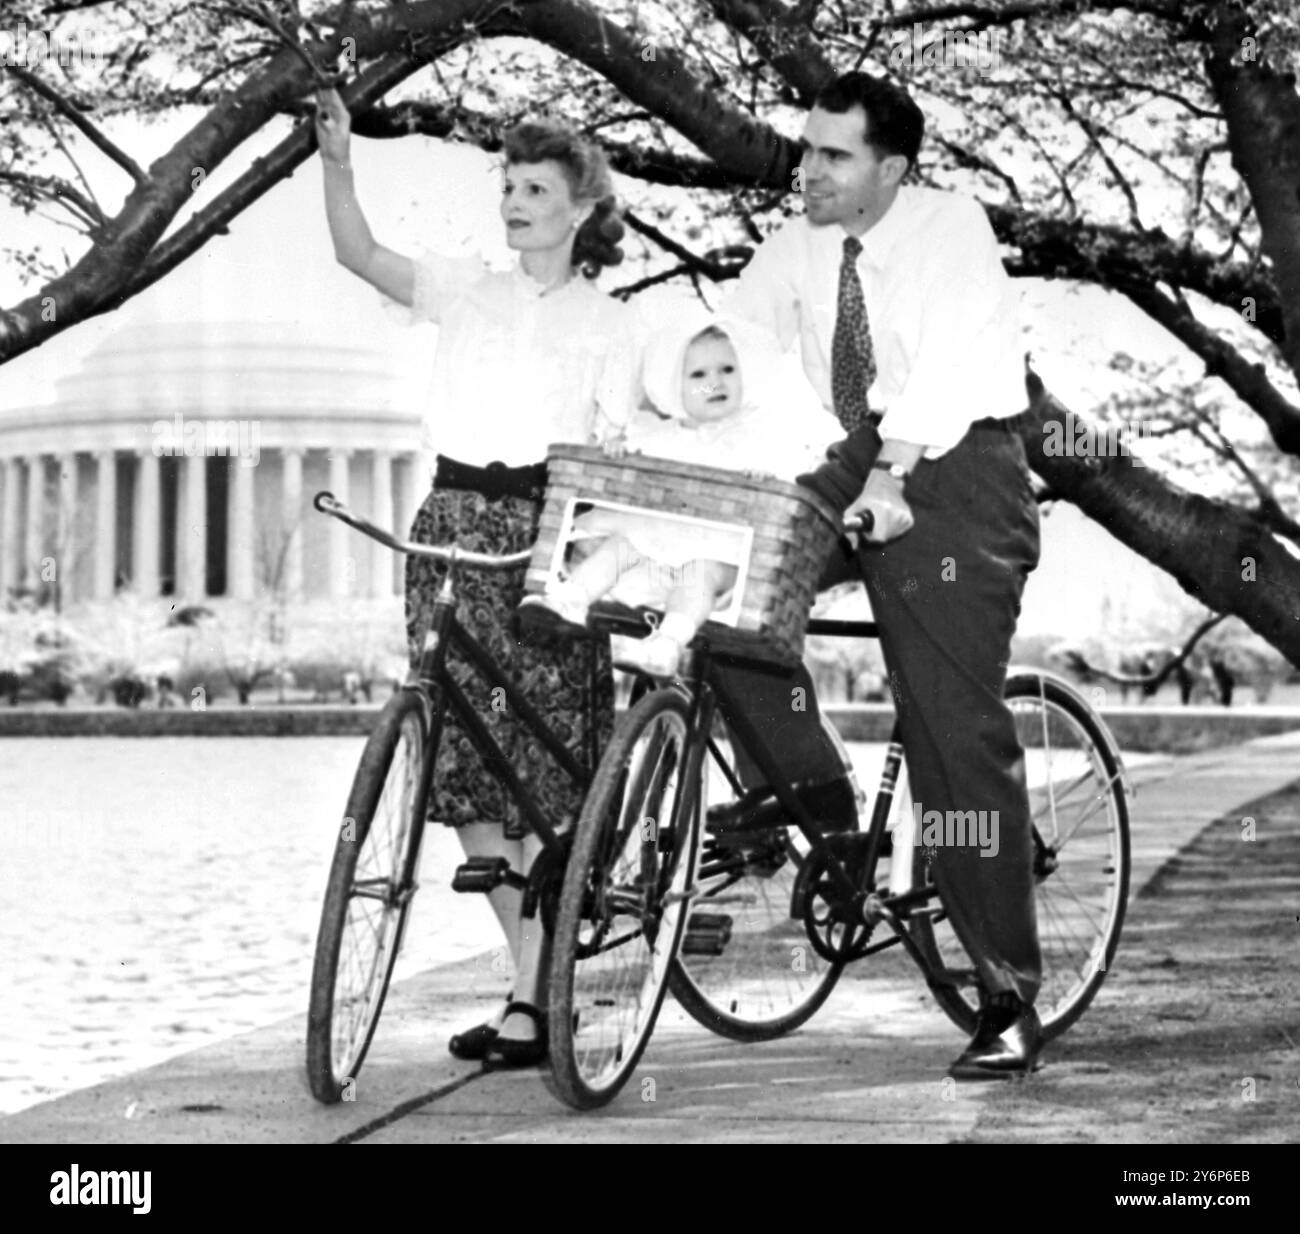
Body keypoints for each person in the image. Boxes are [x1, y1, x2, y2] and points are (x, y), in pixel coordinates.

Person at [724, 71, 1043, 1079]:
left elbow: (945, 367)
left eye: (831, 156)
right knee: (727, 611)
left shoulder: (949, 229)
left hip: (954, 467)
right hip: (851, 457)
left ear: (890, 169)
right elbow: (729, 341)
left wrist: (895, 476)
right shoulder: (797, 246)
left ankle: (1006, 989)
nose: (805, 170)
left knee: (951, 730)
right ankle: (822, 815)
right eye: (804, 148)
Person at [314, 88, 637, 1068]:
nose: (515, 202)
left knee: (540, 766)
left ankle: (533, 998)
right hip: (449, 527)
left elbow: (614, 452)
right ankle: (528, 980)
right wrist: (337, 162)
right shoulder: (462, 289)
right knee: (462, 765)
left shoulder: (611, 324)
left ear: (580, 207)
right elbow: (358, 254)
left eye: (536, 187)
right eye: (508, 185)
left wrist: (583, 550)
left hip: (545, 534)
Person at [521, 315, 835, 676]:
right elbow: (632, 478)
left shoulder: (755, 435)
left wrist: (765, 475)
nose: (714, 382)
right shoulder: (659, 436)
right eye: (698, 375)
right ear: (675, 386)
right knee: (618, 547)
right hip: (652, 559)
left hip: (715, 561)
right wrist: (621, 455)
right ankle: (571, 600)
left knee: (698, 573)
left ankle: (666, 644)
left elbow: (785, 482)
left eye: (727, 369)